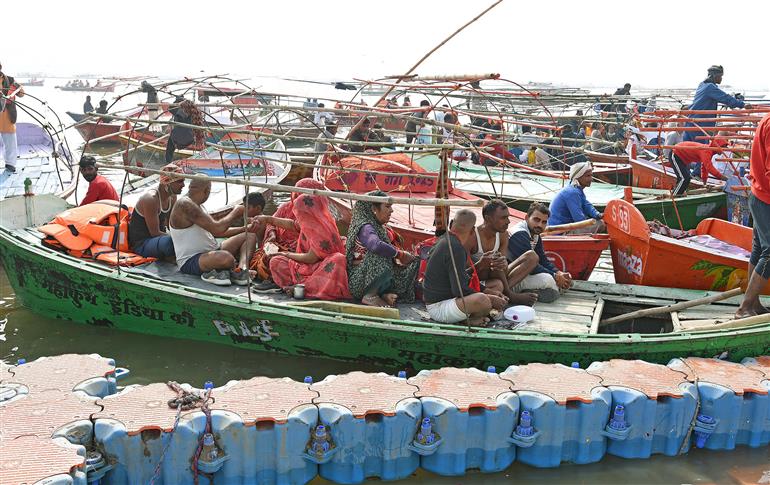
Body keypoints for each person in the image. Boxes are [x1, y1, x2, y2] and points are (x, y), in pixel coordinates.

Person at [168, 176, 258, 286]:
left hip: (213, 250)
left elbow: (216, 233)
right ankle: (215, 273)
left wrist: (246, 229)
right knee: (226, 258)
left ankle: (241, 269)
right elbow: (217, 228)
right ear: (207, 191)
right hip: (191, 260)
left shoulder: (198, 205)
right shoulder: (185, 205)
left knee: (250, 236)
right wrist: (235, 212)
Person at [266, 184, 351, 300]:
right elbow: (293, 224)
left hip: (320, 266)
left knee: (338, 259)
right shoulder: (307, 221)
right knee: (276, 261)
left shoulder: (321, 227)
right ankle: (302, 286)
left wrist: (286, 254)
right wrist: (268, 219)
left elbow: (311, 258)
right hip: (305, 267)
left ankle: (306, 288)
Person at [422, 209, 506, 325]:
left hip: (446, 301)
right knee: (483, 301)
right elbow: (459, 290)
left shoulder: (445, 239)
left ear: (451, 224)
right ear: (472, 231)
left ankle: (469, 318)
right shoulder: (456, 248)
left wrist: (488, 290)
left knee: (495, 287)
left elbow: (462, 278)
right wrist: (490, 298)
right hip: (439, 308)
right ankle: (466, 321)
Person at [346, 190, 419, 307]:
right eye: (388, 206)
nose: (392, 210)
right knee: (380, 253)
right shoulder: (365, 226)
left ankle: (384, 294)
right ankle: (370, 295)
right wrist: (399, 254)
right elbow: (375, 245)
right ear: (373, 209)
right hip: (359, 283)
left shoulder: (379, 227)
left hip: (372, 277)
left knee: (414, 261)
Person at [250, 178, 323, 291]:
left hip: (300, 252)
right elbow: (272, 222)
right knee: (262, 256)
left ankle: (276, 281)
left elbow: (311, 253)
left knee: (273, 260)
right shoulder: (286, 207)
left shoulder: (317, 217)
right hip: (281, 245)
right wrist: (272, 235)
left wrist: (287, 253)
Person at [472, 199, 538, 306]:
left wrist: (503, 263)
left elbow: (503, 269)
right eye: (503, 218)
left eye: (508, 217)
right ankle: (509, 294)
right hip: (481, 281)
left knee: (532, 256)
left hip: (498, 275)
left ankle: (506, 292)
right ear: (488, 219)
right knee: (497, 277)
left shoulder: (503, 234)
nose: (508, 221)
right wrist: (482, 264)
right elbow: (466, 274)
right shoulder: (473, 236)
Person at [736, 113, 770, 317]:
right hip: (766, 198)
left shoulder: (766, 119)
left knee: (759, 250)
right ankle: (745, 308)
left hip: (758, 193)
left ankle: (753, 304)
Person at [508, 202, 572, 302]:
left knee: (565, 282)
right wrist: (555, 276)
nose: (539, 225)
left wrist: (559, 272)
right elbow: (531, 266)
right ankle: (517, 294)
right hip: (512, 279)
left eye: (544, 222)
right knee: (549, 281)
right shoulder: (519, 234)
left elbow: (543, 260)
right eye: (536, 220)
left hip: (525, 275)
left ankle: (531, 292)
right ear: (526, 218)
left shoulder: (535, 234)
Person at [128, 164, 186, 261]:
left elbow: (171, 225)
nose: (183, 185)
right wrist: (180, 239)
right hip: (142, 243)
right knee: (170, 241)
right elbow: (154, 233)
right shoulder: (151, 199)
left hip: (158, 239)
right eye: (180, 181)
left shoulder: (172, 197)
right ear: (167, 182)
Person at [684, 65, 751, 143]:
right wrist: (743, 104)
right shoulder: (710, 87)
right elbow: (725, 98)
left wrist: (735, 99)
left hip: (692, 122)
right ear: (715, 76)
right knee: (701, 150)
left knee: (688, 150)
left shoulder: (703, 85)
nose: (721, 78)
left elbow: (722, 97)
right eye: (720, 76)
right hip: (699, 124)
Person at [548, 162, 604, 231]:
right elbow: (579, 219)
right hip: (559, 232)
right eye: (588, 176)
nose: (591, 179)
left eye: (591, 175)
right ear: (578, 177)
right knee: (601, 224)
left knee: (599, 222)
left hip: (564, 227)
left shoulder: (575, 189)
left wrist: (598, 214)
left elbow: (586, 204)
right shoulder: (572, 192)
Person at [165, 97, 204, 163]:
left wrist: (178, 100)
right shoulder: (195, 112)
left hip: (179, 139)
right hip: (190, 138)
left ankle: (168, 163)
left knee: (169, 151)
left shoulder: (180, 112)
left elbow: (170, 108)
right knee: (174, 135)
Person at [0, 62, 23, 173]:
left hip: (7, 116)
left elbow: (21, 93)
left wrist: (17, 88)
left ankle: (10, 164)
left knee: (10, 140)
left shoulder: (10, 80)